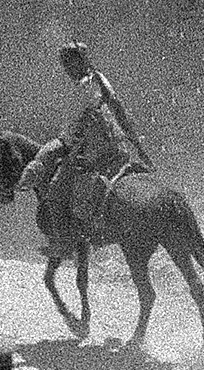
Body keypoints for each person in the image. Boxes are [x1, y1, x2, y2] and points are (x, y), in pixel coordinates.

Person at [15, 42, 151, 236]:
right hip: (85, 139)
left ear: (81, 61)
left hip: (89, 143)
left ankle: (66, 240)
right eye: (65, 65)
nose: (67, 68)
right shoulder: (87, 82)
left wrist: (136, 143)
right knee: (46, 155)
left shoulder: (92, 81)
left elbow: (113, 109)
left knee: (56, 191)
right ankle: (27, 180)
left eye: (70, 63)